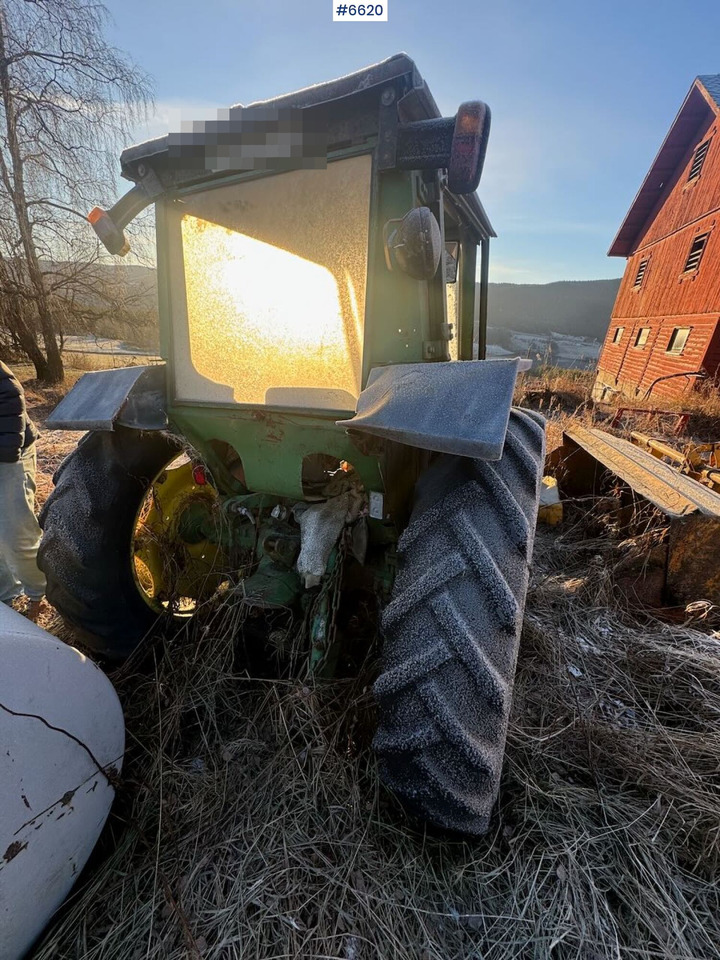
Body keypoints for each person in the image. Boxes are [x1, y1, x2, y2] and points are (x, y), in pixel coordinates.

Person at [0, 360, 47, 617]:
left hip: (9, 450)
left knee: (14, 531)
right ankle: (6, 599)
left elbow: (9, 399)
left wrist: (6, 453)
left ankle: (38, 593)